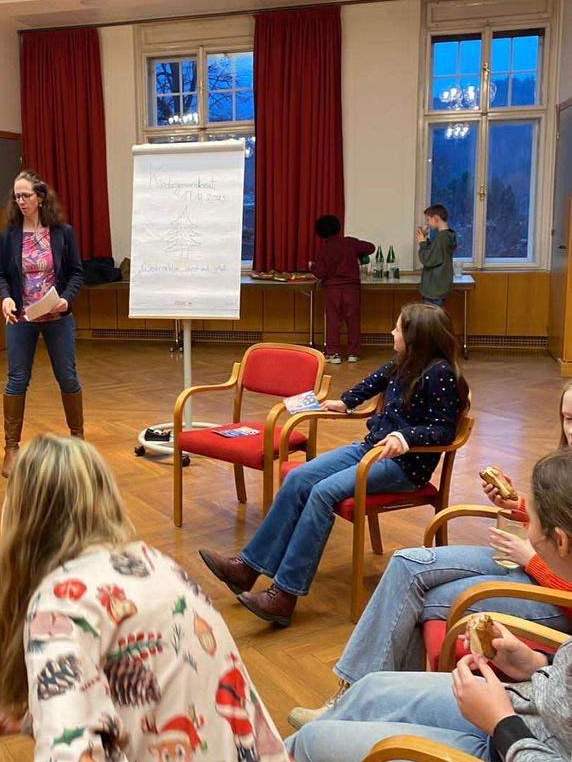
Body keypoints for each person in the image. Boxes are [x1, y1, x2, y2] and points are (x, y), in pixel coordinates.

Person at [0, 434, 293, 762]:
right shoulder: (157, 564)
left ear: (20, 516)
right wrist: (42, 714)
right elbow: (148, 699)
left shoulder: (58, 605)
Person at [288, 380, 572, 729]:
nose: (571, 431)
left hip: (554, 597)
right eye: (567, 419)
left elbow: (561, 557)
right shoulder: (564, 465)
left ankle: (364, 709)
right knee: (406, 565)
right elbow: (559, 535)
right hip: (533, 563)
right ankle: (356, 699)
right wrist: (521, 508)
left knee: (417, 600)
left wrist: (531, 560)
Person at [200, 302, 469, 626]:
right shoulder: (404, 363)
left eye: (398, 328)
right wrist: (345, 401)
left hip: (404, 467)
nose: (392, 332)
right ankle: (247, 568)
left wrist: (405, 437)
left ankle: (285, 595)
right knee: (299, 478)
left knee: (322, 493)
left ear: (415, 337)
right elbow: (372, 383)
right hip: (371, 450)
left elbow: (443, 428)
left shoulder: (440, 373)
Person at [0, 170, 84, 478]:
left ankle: (78, 440)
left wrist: (66, 300)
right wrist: (5, 299)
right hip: (21, 317)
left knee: (67, 377)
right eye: (16, 196)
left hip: (57, 317)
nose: (20, 201)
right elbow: (2, 277)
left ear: (40, 197)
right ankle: (11, 448)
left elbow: (76, 273)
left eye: (26, 196)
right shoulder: (10, 234)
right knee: (17, 379)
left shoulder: (62, 233)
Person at [309, 214, 374, 365]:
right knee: (353, 321)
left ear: (320, 233)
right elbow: (370, 247)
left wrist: (312, 266)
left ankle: (334, 354)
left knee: (332, 321)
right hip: (351, 288)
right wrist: (359, 253)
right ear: (338, 228)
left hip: (332, 290)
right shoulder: (350, 243)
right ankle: (353, 353)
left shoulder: (322, 251)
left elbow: (321, 273)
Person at [416, 203, 456, 307]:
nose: (427, 223)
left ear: (436, 218)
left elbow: (428, 260)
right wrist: (426, 241)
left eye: (428, 219)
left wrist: (422, 243)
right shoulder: (448, 235)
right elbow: (437, 253)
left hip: (434, 289)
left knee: (431, 321)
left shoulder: (441, 238)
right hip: (440, 286)